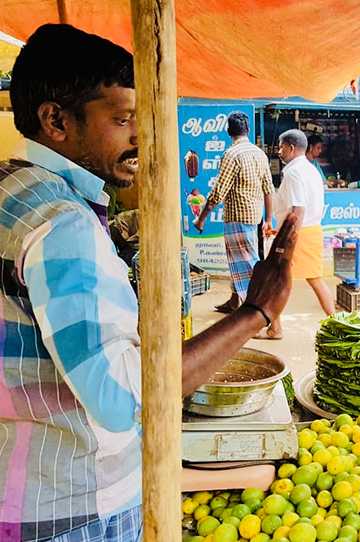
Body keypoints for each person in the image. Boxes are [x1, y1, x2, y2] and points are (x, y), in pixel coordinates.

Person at [0, 23, 299, 542]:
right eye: (121, 120)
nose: (141, 135)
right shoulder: (62, 224)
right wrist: (256, 313)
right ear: (56, 121)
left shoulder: (12, 185)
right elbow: (124, 400)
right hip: (72, 508)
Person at [194, 111, 274, 313]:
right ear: (247, 130)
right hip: (255, 216)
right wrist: (269, 219)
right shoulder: (259, 153)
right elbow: (268, 189)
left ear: (229, 130)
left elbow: (218, 192)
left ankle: (255, 308)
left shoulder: (232, 154)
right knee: (239, 261)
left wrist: (201, 220)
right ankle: (234, 301)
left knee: (246, 264)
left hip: (237, 217)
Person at [259, 129, 335, 339]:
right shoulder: (310, 170)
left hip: (297, 233)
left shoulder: (293, 172)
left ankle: (275, 328)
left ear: (291, 148)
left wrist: (286, 237)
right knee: (315, 279)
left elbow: (297, 209)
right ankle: (337, 323)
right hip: (310, 231)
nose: (279, 151)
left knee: (274, 279)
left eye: (281, 147)